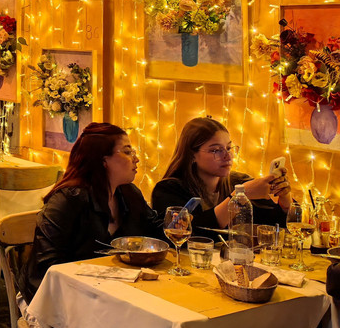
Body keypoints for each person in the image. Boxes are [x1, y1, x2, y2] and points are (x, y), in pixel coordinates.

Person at [23, 123, 162, 302]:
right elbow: (47, 267)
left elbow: (155, 231)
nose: (136, 159)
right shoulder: (68, 200)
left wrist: (180, 224)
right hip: (56, 296)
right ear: (103, 161)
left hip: (111, 292)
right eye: (127, 152)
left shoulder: (129, 194)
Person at [151, 117, 291, 239]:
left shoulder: (240, 181)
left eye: (229, 148)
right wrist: (238, 197)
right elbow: (188, 235)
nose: (228, 156)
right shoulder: (168, 189)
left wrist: (284, 198)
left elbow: (274, 226)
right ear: (192, 155)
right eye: (216, 150)